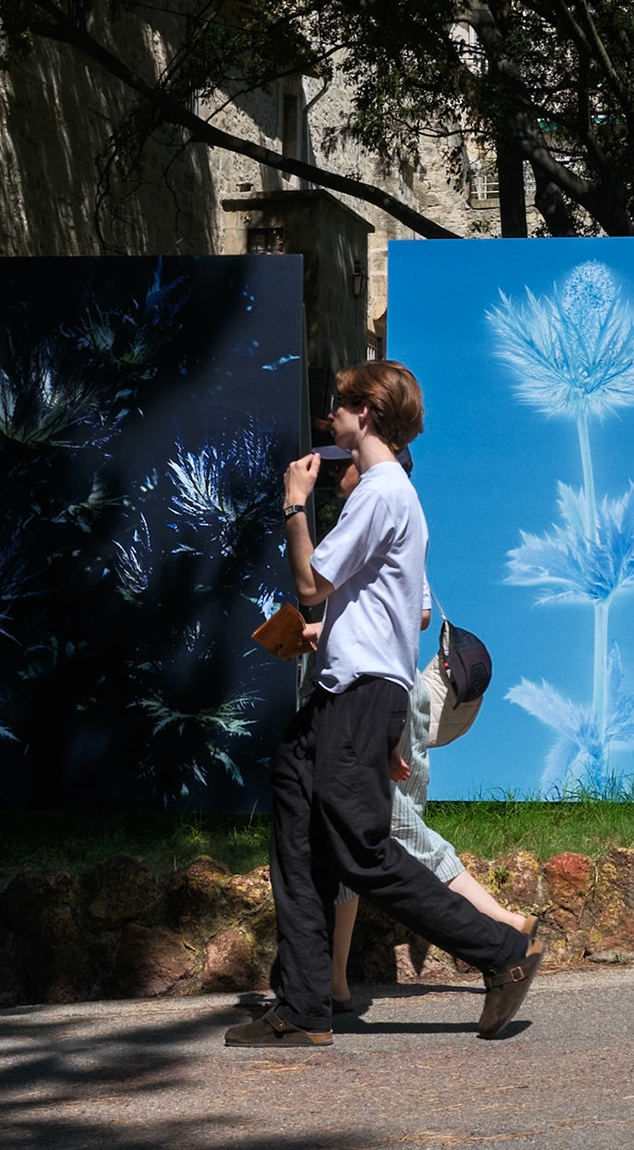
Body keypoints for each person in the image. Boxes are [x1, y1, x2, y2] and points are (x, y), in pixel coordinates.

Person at [225, 361, 544, 1047]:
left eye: (340, 405)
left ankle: (500, 952)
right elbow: (389, 612)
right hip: (348, 693)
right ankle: (303, 1004)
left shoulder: (382, 490)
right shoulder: (389, 492)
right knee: (297, 817)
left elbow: (310, 583)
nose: (331, 416)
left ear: (365, 414)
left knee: (362, 849)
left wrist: (293, 504)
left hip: (360, 695)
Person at [300, 453, 534, 1013]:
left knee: (395, 836)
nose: (336, 472)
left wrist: (329, 624)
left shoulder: (379, 510)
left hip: (379, 699)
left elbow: (404, 609)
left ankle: (504, 934)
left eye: (345, 463)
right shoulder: (388, 516)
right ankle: (333, 980)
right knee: (360, 836)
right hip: (386, 696)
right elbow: (417, 611)